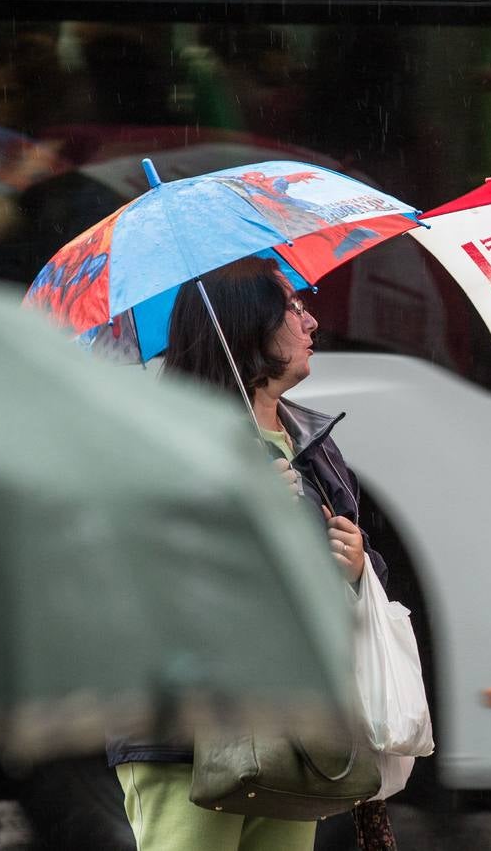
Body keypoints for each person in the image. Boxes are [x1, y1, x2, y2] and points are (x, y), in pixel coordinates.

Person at [106, 256, 393, 851]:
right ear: (247, 324)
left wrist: (358, 565)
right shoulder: (166, 437)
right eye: (293, 307)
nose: (312, 321)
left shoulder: (312, 443)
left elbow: (361, 582)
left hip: (294, 726)